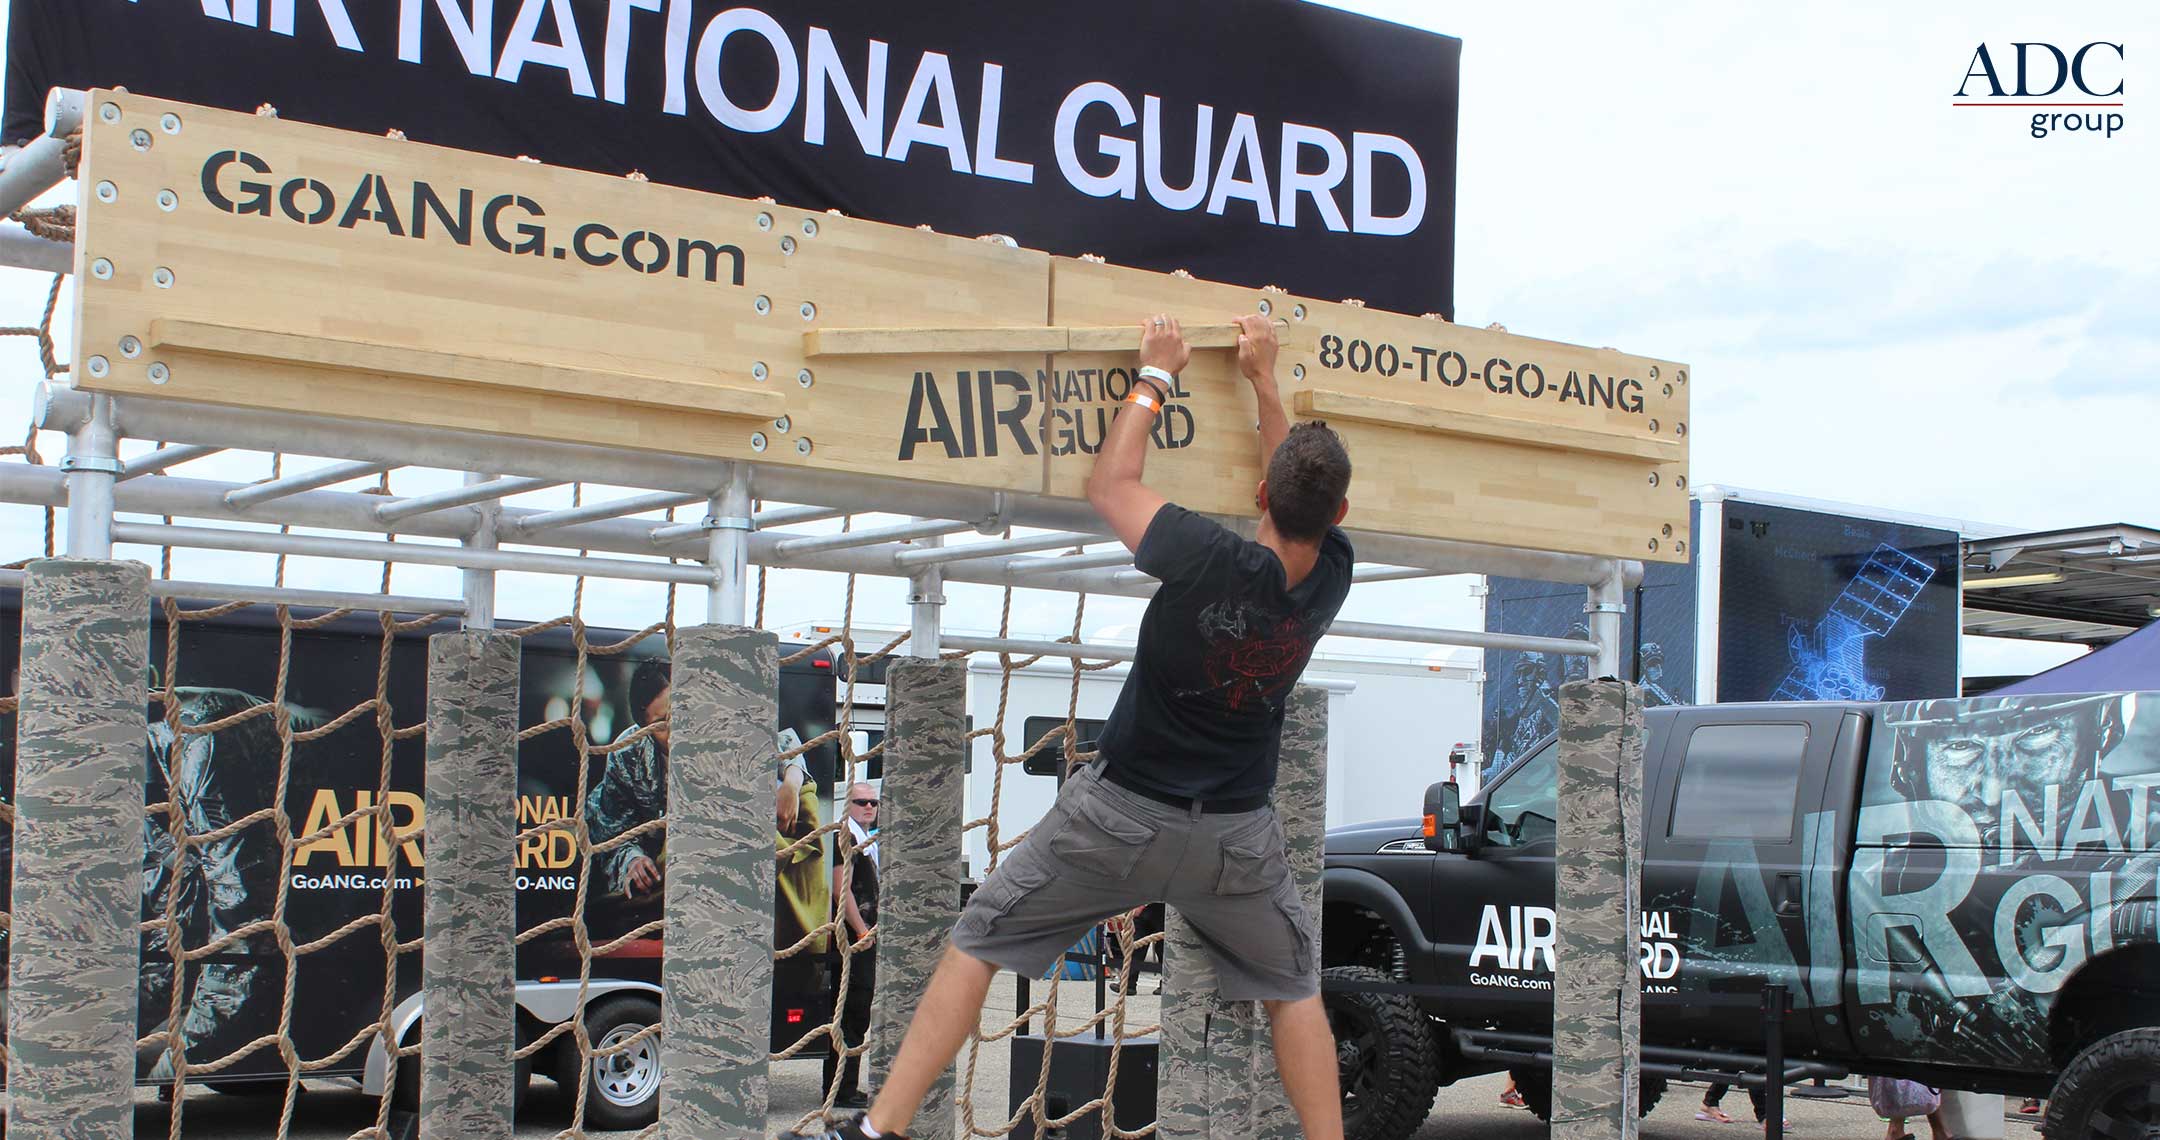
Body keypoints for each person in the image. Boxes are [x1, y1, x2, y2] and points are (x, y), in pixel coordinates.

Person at [809, 312, 1355, 1140]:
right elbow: (1298, 486)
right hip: (1236, 837)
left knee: (979, 936)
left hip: (1121, 817)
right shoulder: (1333, 577)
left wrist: (1156, 374)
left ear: (1257, 496)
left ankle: (878, 1129)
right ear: (1338, 509)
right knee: (1295, 990)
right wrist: (1264, 381)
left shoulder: (1207, 554)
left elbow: (1110, 482)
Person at [825, 782, 881, 1109]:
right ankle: (841, 1089)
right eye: (862, 802)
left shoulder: (866, 840)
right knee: (850, 1013)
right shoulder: (843, 838)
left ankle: (846, 1086)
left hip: (867, 939)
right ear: (848, 805)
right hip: (852, 942)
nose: (869, 808)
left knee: (858, 1014)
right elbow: (839, 889)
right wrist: (861, 931)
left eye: (873, 802)